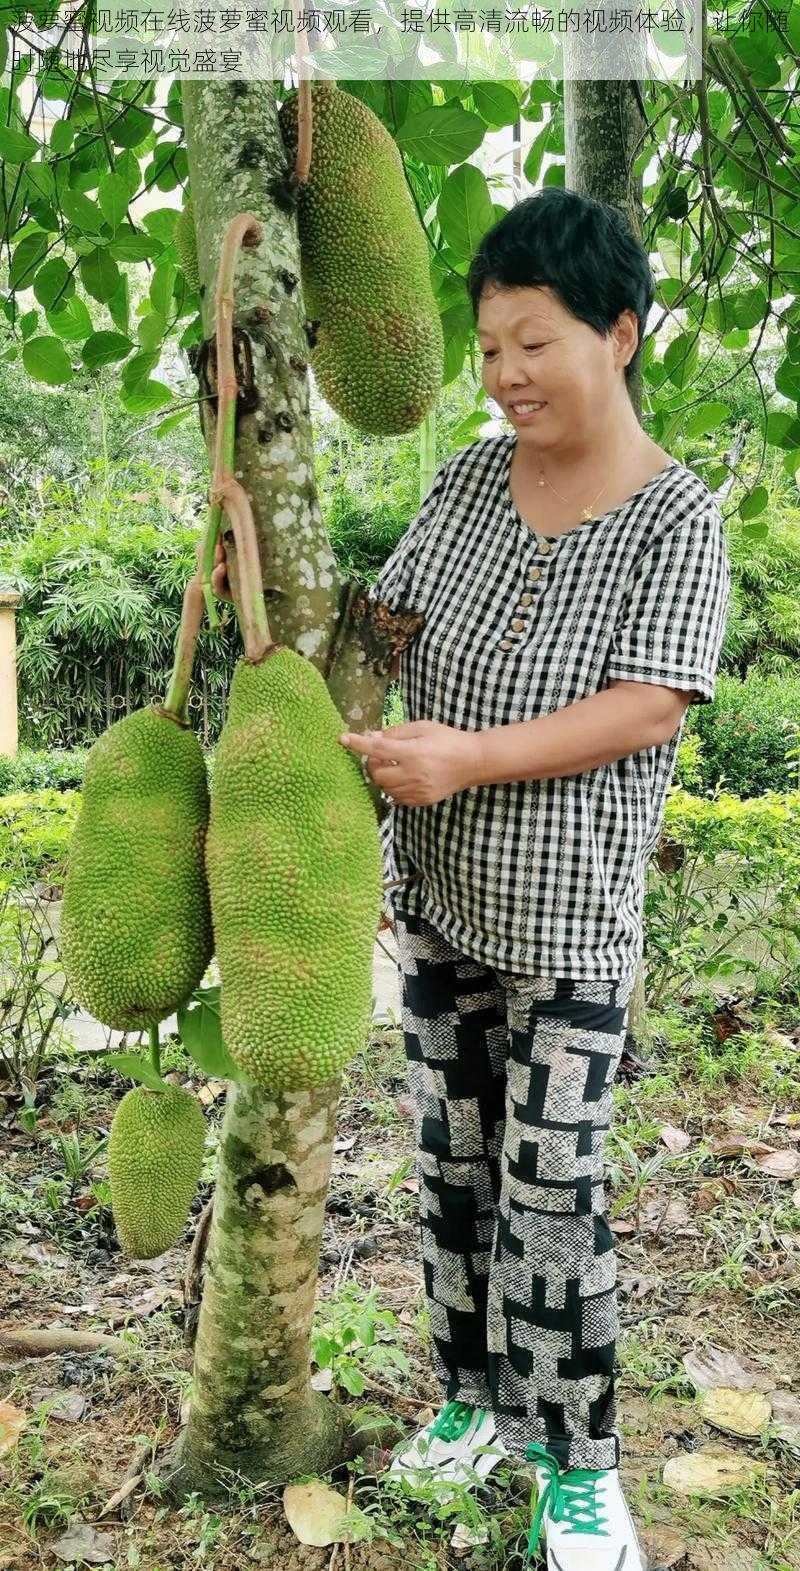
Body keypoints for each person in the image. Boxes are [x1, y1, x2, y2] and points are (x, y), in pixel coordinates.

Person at [213, 187, 730, 1570]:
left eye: (534, 345)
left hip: (568, 930)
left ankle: (578, 1465)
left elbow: (651, 707)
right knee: (453, 1178)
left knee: (555, 1200)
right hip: (439, 907)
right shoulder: (467, 482)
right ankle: (472, 1401)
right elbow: (389, 626)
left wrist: (470, 758)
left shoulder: (677, 518)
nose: (503, 377)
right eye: (490, 347)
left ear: (617, 337)